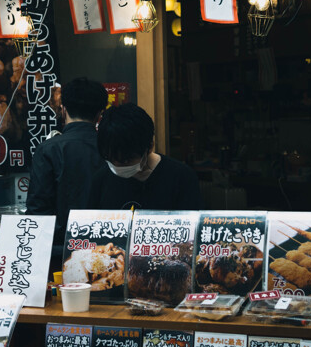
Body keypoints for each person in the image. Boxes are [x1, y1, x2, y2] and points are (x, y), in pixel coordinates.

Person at [26, 78, 108, 263]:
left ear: (63, 109)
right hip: (107, 250)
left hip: (58, 253)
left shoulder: (48, 149)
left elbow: (37, 211)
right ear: (100, 114)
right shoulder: (111, 148)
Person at [88, 103, 201, 211]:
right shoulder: (101, 180)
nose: (117, 166)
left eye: (126, 161)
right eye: (111, 159)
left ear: (150, 146)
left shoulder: (181, 178)